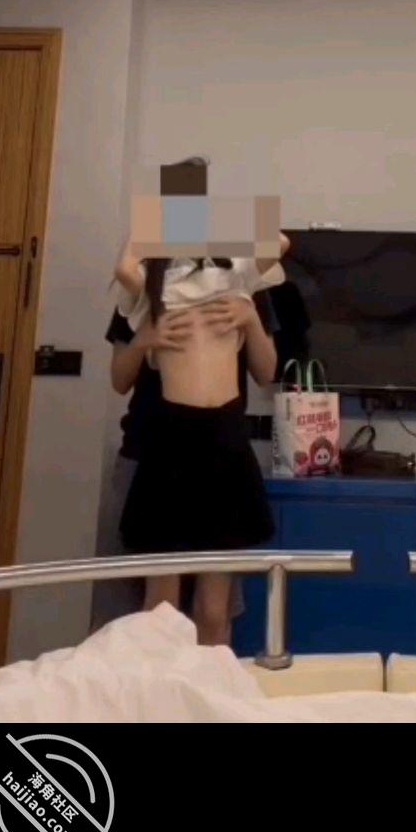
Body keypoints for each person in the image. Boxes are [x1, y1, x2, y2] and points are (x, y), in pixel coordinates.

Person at [112, 233, 285, 645]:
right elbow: (124, 269)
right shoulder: (154, 288)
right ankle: (159, 685)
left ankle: (209, 684)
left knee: (213, 610)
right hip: (165, 443)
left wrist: (249, 318)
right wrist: (144, 339)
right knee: (160, 608)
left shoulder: (239, 281)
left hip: (225, 443)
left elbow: (278, 239)